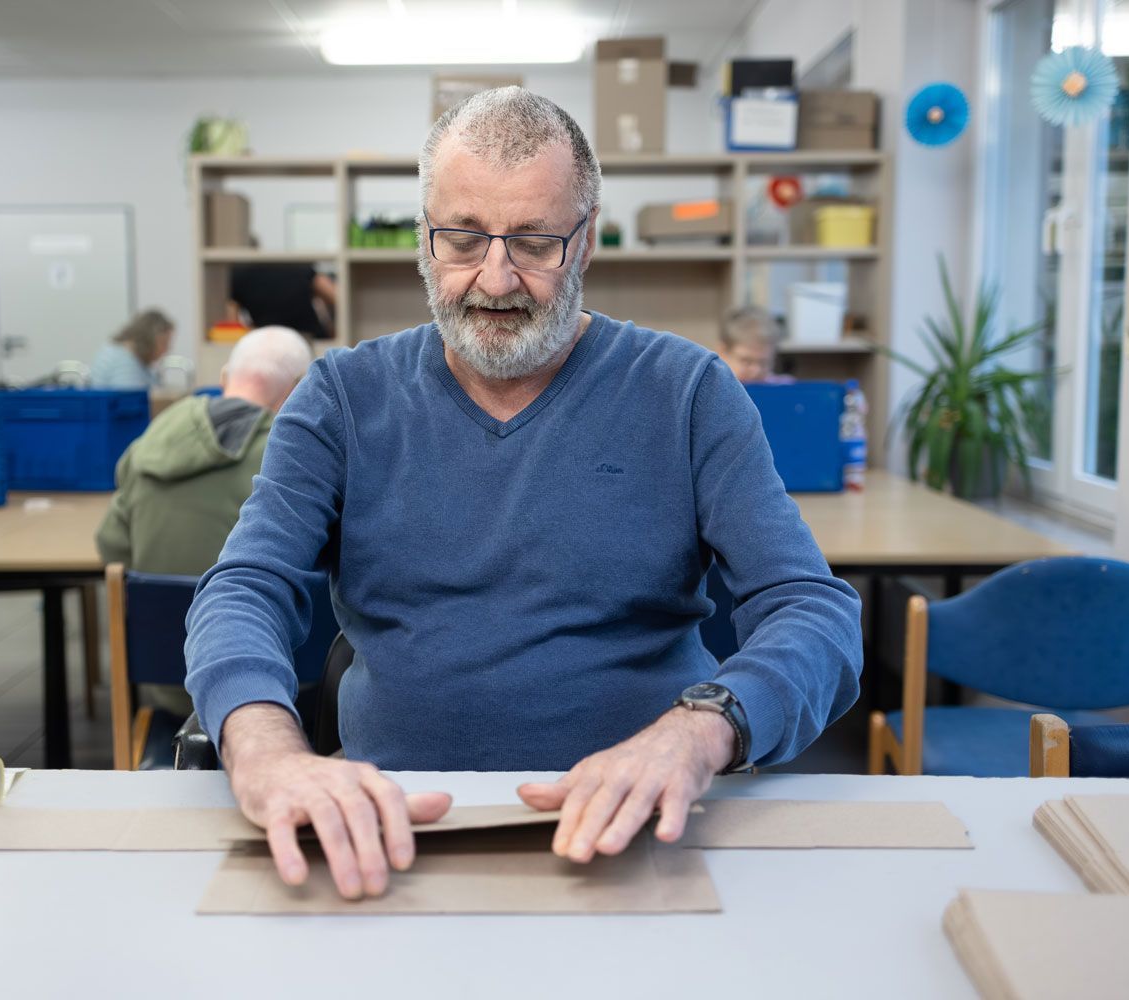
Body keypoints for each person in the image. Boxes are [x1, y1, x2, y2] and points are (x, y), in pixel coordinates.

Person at [185, 88, 862, 901]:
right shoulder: (340, 397)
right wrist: (265, 749)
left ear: (587, 241)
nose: (495, 278)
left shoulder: (686, 393)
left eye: (535, 242)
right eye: (462, 239)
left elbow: (814, 611)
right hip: (394, 829)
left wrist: (698, 733)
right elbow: (243, 588)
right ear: (421, 239)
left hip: (646, 827)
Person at [96, 326, 312, 716]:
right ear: (299, 388)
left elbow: (111, 546)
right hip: (276, 689)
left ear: (225, 377)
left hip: (163, 681)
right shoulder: (300, 458)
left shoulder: (149, 442)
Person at [228, 265, 337, 341]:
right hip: (312, 341)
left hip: (266, 343)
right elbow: (337, 296)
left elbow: (232, 325)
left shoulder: (239, 275)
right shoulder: (299, 267)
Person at [88, 309, 175, 389]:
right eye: (164, 343)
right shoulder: (123, 361)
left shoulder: (127, 355)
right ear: (149, 339)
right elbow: (131, 400)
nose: (166, 350)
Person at [717, 306, 793, 385]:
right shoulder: (711, 390)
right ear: (722, 352)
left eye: (764, 363)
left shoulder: (783, 387)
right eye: (746, 361)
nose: (756, 371)